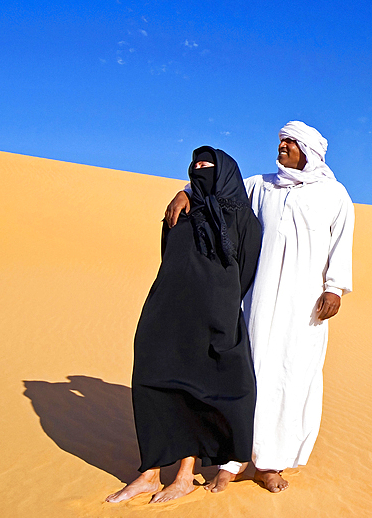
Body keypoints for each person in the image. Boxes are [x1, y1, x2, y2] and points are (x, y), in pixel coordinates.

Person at [164, 121, 355, 494]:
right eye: (281, 141)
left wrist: (334, 288)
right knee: (248, 373)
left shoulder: (334, 195)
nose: (282, 146)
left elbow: (341, 244)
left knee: (290, 377)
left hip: (305, 307)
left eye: (290, 142)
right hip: (258, 297)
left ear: (309, 150)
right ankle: (232, 460)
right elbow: (220, 188)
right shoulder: (260, 185)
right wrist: (186, 191)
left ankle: (269, 464)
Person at [107, 147, 262, 504]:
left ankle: (183, 475)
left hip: (213, 314)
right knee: (151, 381)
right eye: (194, 166)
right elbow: (169, 255)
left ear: (224, 173)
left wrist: (221, 305)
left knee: (198, 389)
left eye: (207, 166)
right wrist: (184, 194)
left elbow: (245, 271)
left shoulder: (243, 220)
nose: (198, 170)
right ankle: (148, 473)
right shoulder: (180, 210)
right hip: (165, 307)